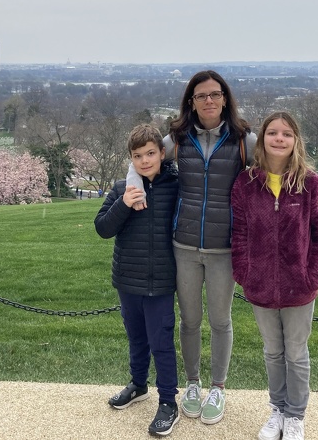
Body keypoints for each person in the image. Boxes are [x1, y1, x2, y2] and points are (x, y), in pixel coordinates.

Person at [163, 70, 318, 425]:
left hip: (224, 248)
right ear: (191, 102)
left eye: (215, 94)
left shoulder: (244, 139)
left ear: (225, 98)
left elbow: (287, 159)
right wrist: (130, 186)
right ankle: (192, 384)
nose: (208, 101)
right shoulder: (177, 139)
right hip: (184, 244)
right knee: (190, 321)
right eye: (201, 96)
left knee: (220, 321)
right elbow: (142, 160)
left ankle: (218, 388)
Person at [230, 111, 318, 440]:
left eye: (286, 134)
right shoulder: (246, 185)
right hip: (259, 287)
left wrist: (314, 275)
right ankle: (277, 409)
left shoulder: (310, 184)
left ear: (295, 141)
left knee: (296, 352)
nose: (279, 138)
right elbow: (239, 235)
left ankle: (296, 415)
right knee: (272, 352)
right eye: (273, 133)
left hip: (299, 288)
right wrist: (244, 273)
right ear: (262, 139)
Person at [94, 123, 181, 437]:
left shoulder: (176, 184)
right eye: (137, 155)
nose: (145, 160)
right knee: (137, 338)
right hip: (128, 280)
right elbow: (103, 228)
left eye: (150, 153)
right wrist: (125, 204)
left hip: (160, 281)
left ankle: (168, 401)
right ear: (130, 158)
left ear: (161, 153)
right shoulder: (122, 189)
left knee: (161, 343)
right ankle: (138, 384)